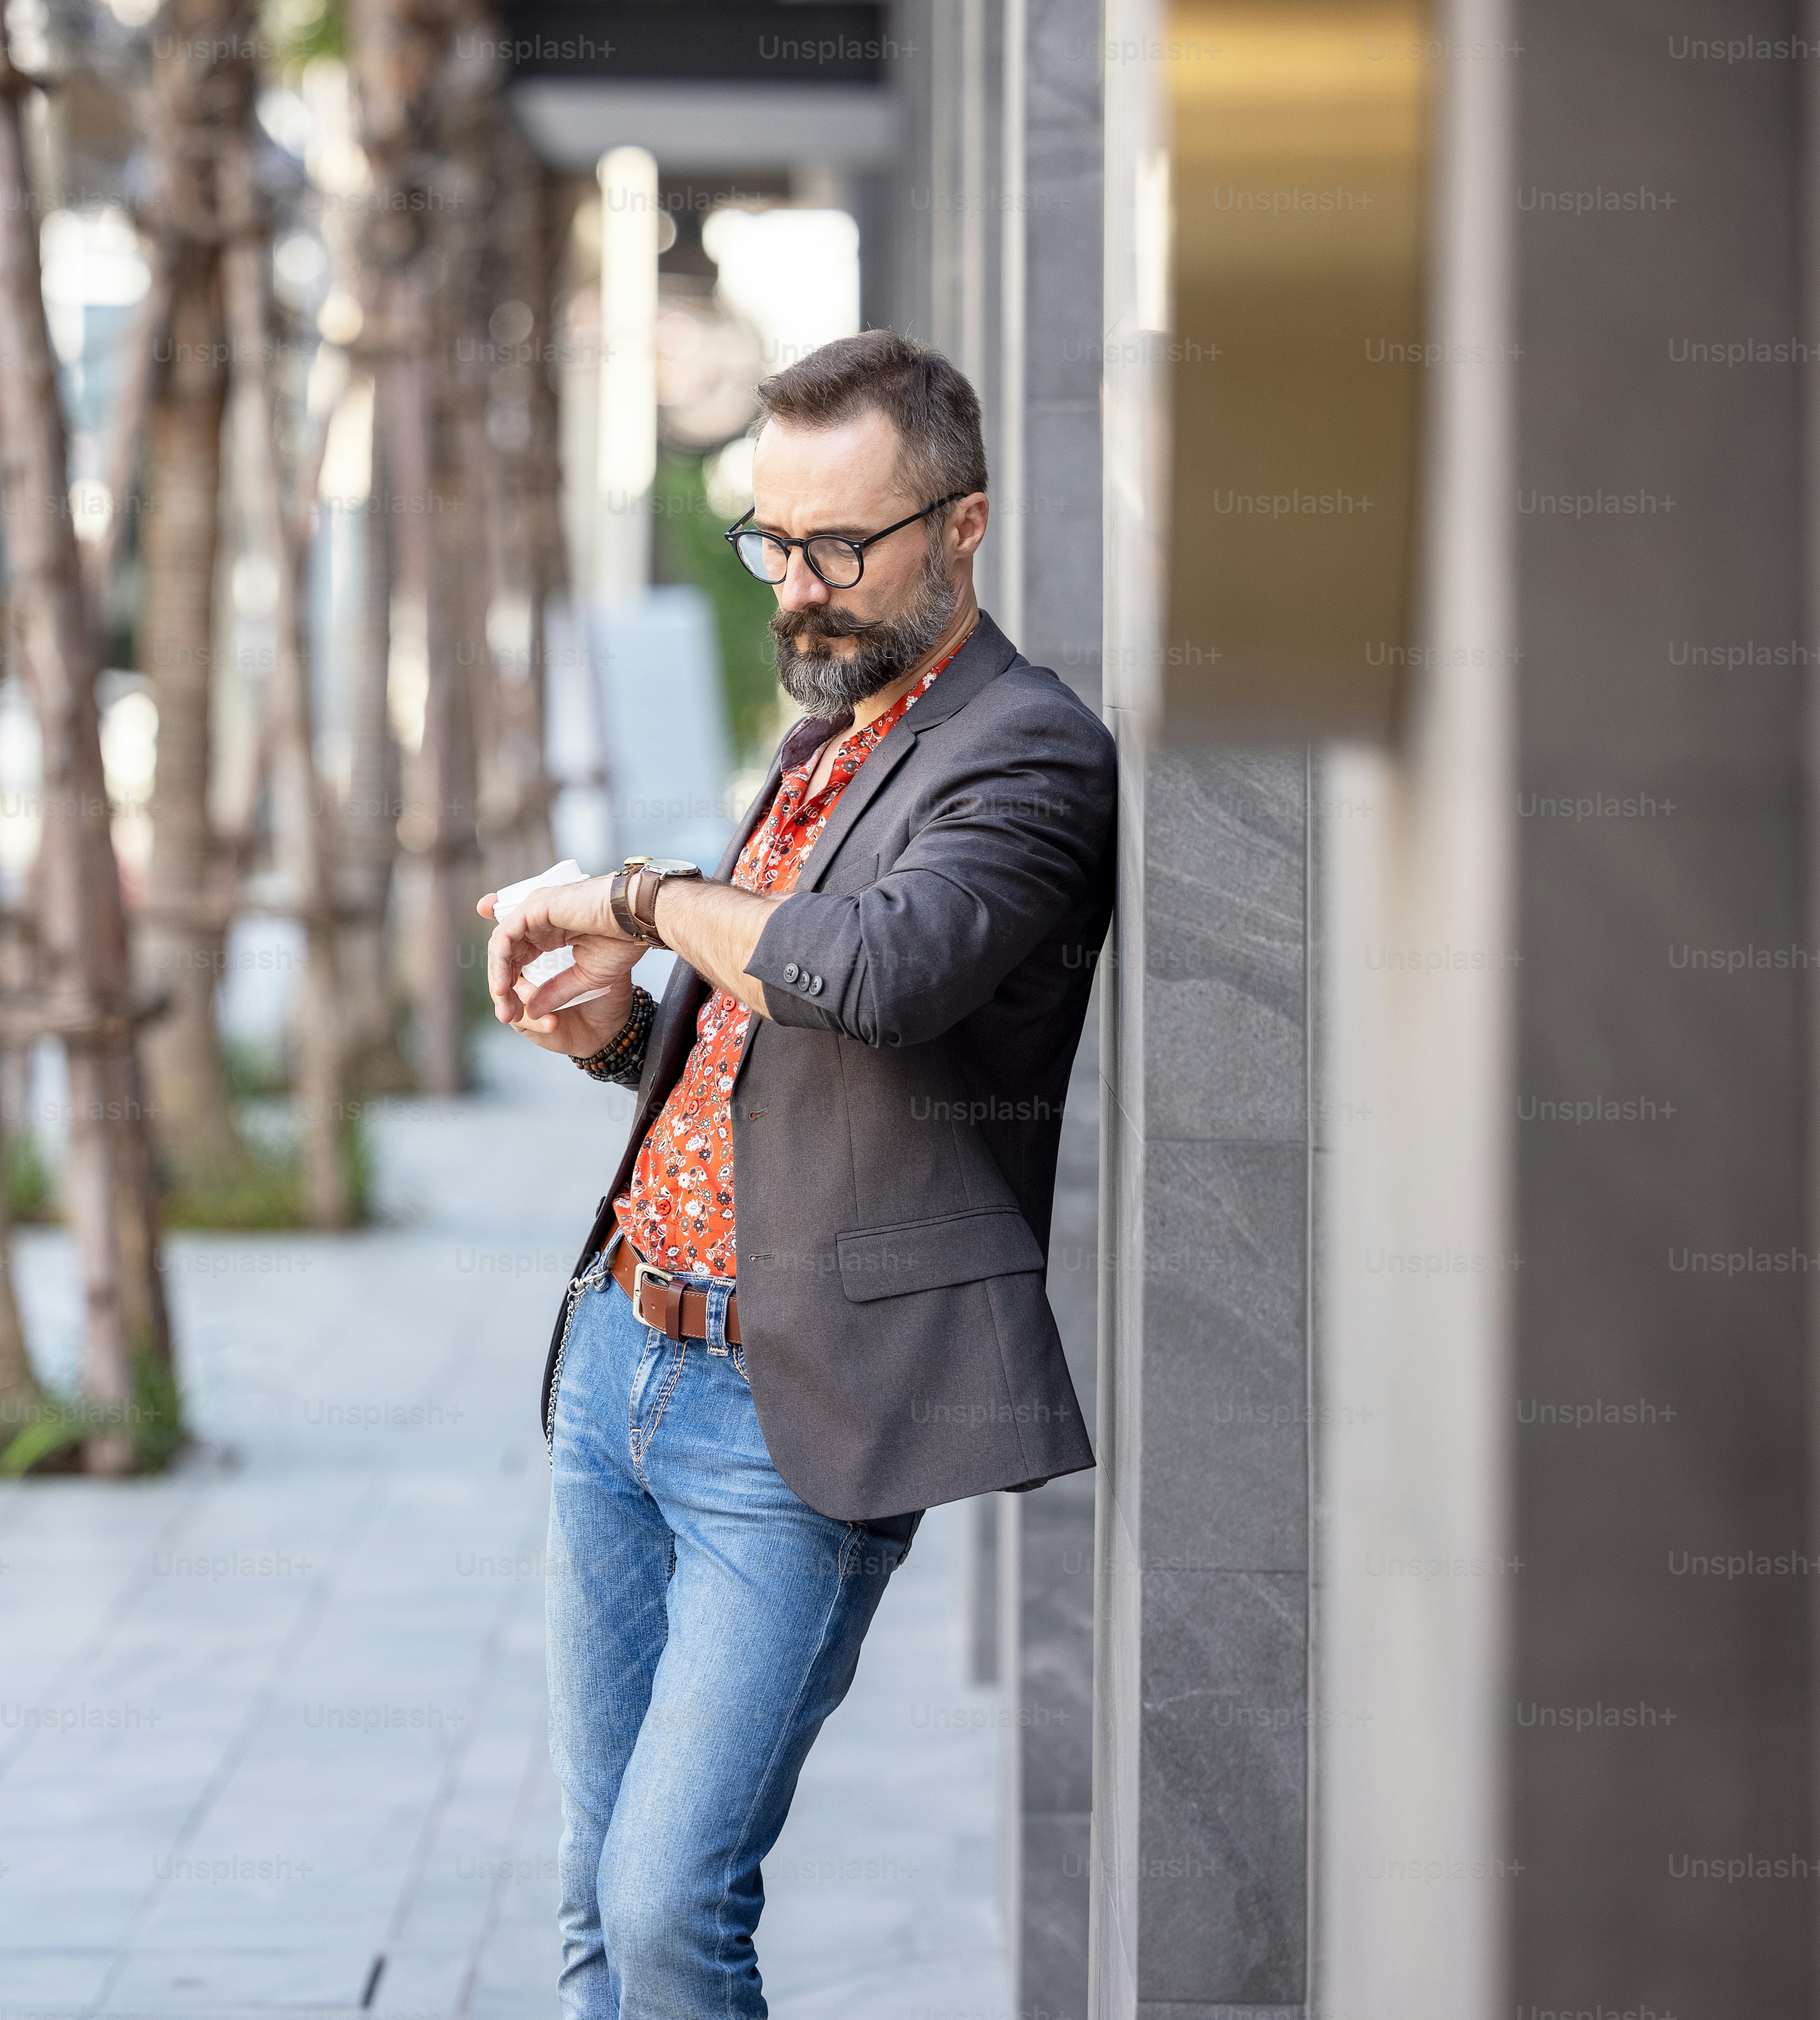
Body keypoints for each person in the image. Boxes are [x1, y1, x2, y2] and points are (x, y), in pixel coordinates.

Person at [479, 328, 1115, 2016]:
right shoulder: (822, 735)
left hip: (791, 1408)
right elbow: (777, 1043)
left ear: (962, 529)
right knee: (590, 1905)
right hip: (622, 1348)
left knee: (670, 1898)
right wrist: (622, 1035)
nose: (801, 591)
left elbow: (875, 972)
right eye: (775, 543)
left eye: (840, 546)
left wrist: (628, 897)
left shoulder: (1029, 754)